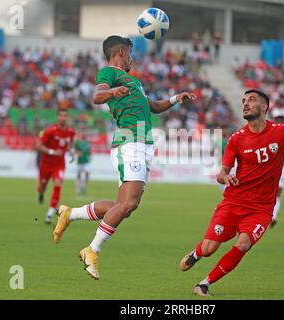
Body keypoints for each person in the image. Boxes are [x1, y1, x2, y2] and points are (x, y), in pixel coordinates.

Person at [53, 35, 197, 280]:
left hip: (140, 142)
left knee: (124, 207)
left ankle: (71, 213)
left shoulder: (134, 82)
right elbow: (96, 97)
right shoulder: (109, 73)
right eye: (130, 52)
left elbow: (152, 106)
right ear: (120, 51)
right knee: (129, 204)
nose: (133, 57)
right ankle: (92, 250)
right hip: (130, 142)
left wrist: (175, 99)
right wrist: (111, 91)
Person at [179, 89, 284, 296]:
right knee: (209, 249)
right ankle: (197, 253)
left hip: (261, 209)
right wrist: (226, 177)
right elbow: (221, 173)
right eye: (243, 101)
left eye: (251, 100)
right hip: (233, 202)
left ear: (264, 107)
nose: (245, 104)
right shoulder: (237, 139)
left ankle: (204, 284)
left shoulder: (282, 132)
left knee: (243, 244)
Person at [35, 108, 75, 224]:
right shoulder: (50, 131)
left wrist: (72, 151)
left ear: (67, 118)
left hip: (59, 164)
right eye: (61, 115)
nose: (63, 117)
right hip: (46, 164)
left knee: (58, 184)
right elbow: (38, 145)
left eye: (65, 115)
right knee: (42, 185)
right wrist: (52, 152)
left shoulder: (71, 132)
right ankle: (41, 192)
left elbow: (71, 143)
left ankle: (50, 213)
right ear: (58, 117)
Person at [270, 109, 284, 228]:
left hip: (281, 169)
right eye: (278, 119)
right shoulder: (270, 133)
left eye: (281, 120)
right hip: (271, 169)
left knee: (278, 194)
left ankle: (273, 216)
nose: (280, 122)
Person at [74, 124, 92, 197]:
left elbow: (89, 150)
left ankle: (83, 185)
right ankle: (78, 188)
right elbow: (74, 150)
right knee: (78, 174)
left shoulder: (88, 142)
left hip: (86, 161)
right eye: (82, 132)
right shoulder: (77, 142)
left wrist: (90, 155)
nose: (83, 134)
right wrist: (77, 153)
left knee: (87, 173)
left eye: (84, 132)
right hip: (80, 161)